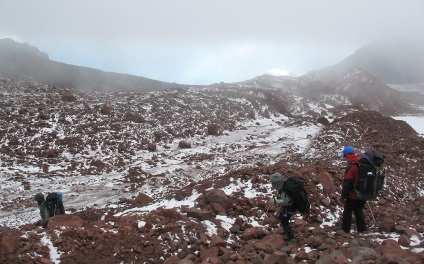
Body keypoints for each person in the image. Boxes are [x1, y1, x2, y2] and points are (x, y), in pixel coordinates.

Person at [339, 146, 367, 233]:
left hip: (354, 194)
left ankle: (345, 230)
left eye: (345, 157)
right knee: (358, 209)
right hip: (364, 192)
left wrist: (343, 197)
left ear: (347, 156)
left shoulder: (351, 166)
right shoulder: (363, 163)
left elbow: (347, 183)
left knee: (348, 210)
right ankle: (362, 230)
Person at [270, 172, 296, 241]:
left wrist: (274, 201)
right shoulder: (285, 185)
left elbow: (285, 202)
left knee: (284, 220)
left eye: (273, 183)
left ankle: (290, 236)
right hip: (290, 206)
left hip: (290, 208)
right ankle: (287, 229)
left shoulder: (284, 190)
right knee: (282, 215)